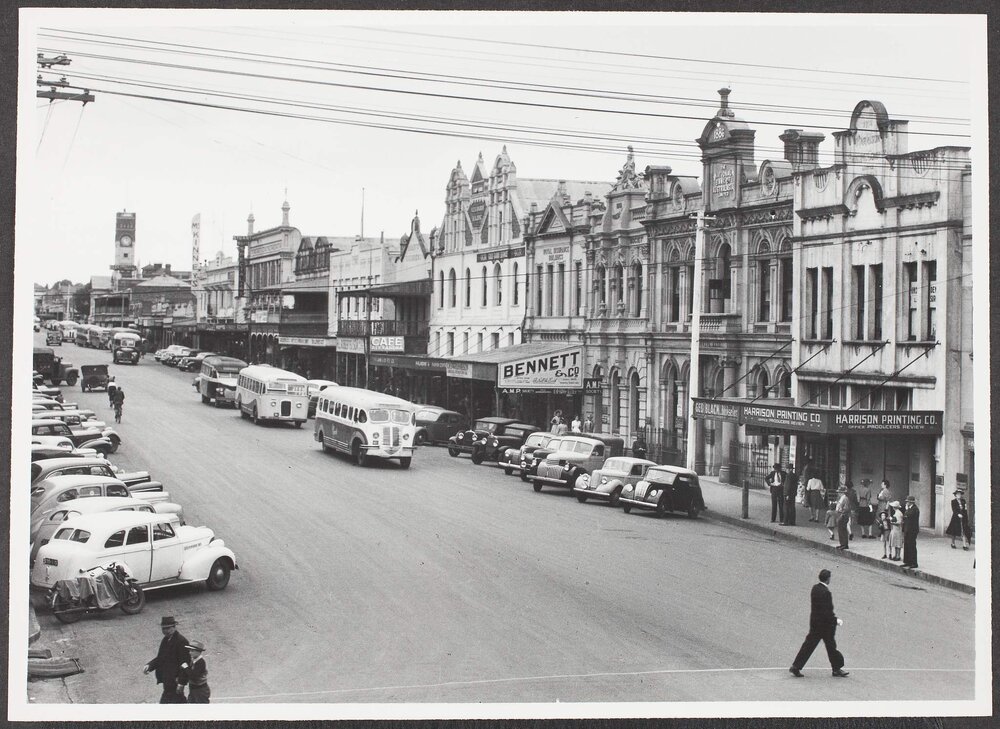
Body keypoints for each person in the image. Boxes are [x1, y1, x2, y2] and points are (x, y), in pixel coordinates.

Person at [789, 568, 849, 678]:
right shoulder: (826, 593)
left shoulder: (815, 588)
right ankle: (836, 669)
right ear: (828, 579)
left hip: (815, 624)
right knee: (831, 647)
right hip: (825, 626)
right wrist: (835, 620)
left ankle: (796, 666)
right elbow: (827, 611)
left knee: (808, 646)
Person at [143, 616, 189, 703]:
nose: (165, 631)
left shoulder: (181, 641)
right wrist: (149, 665)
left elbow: (185, 663)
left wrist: (181, 683)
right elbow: (161, 658)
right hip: (167, 680)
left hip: (175, 681)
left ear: (174, 627)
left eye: (168, 628)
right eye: (163, 629)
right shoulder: (165, 640)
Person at [902, 495, 920, 569]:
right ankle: (907, 561)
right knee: (906, 545)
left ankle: (913, 562)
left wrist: (906, 510)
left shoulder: (915, 509)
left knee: (911, 545)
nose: (907, 503)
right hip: (907, 529)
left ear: (911, 502)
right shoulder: (909, 509)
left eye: (908, 502)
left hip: (912, 530)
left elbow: (908, 515)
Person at [834, 485, 851, 550]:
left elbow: (846, 508)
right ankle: (842, 544)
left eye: (839, 492)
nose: (838, 493)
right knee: (840, 530)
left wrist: (842, 512)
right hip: (841, 514)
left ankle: (844, 544)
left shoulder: (845, 498)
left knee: (842, 530)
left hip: (843, 515)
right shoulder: (842, 498)